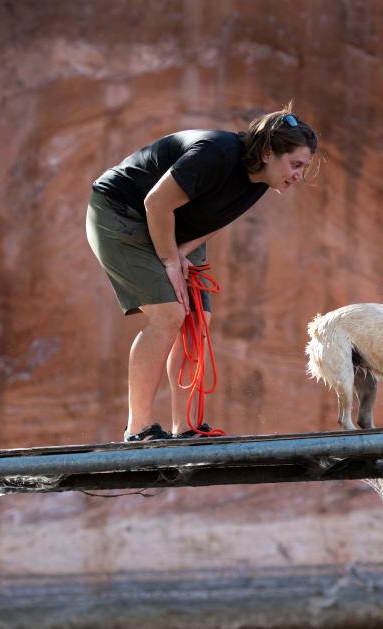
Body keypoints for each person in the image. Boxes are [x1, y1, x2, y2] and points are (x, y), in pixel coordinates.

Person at [86, 105, 318, 441]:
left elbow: (215, 221)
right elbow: (156, 203)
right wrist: (169, 260)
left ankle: (186, 428)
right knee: (168, 315)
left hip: (176, 225)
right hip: (121, 211)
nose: (299, 175)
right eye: (295, 165)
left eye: (304, 168)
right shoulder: (215, 153)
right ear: (268, 152)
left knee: (197, 320)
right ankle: (139, 429)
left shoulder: (260, 180)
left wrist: (180, 253)